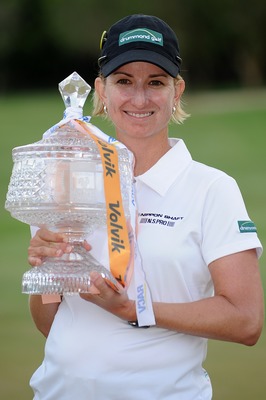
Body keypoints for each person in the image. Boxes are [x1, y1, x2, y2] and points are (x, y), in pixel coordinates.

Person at [27, 14, 264, 400]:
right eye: (124, 82)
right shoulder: (66, 181)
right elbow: (52, 324)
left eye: (155, 82)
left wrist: (136, 309)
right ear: (101, 91)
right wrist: (45, 273)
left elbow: (246, 321)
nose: (140, 98)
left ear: (177, 90)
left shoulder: (212, 189)